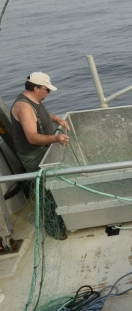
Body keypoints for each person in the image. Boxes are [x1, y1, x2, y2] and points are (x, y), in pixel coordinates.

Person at [10, 72, 71, 240]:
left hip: (44, 149)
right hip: (34, 155)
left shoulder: (35, 101)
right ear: (36, 88)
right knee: (46, 192)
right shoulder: (23, 106)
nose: (48, 93)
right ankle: (54, 228)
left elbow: (41, 116)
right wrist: (56, 138)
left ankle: (62, 218)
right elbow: (32, 136)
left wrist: (57, 120)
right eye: (47, 90)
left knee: (52, 186)